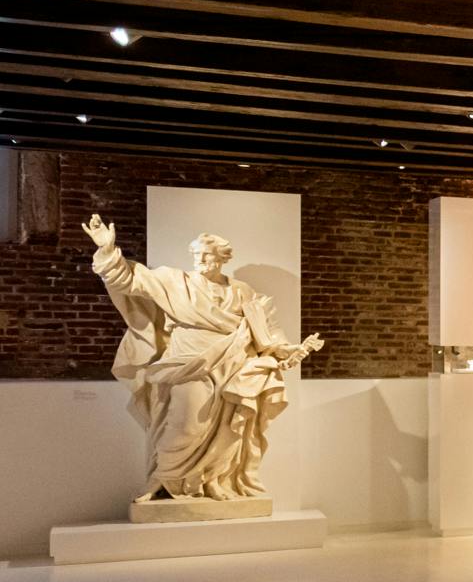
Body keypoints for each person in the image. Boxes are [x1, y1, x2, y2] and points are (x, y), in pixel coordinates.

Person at [83, 213, 323, 506]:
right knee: (186, 424)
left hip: (233, 364)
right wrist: (107, 249)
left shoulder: (241, 291)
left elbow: (264, 328)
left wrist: (286, 349)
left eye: (206, 255)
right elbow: (129, 280)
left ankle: (213, 480)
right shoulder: (174, 281)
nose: (199, 259)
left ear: (223, 258)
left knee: (227, 426)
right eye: (196, 254)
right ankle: (162, 480)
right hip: (188, 362)